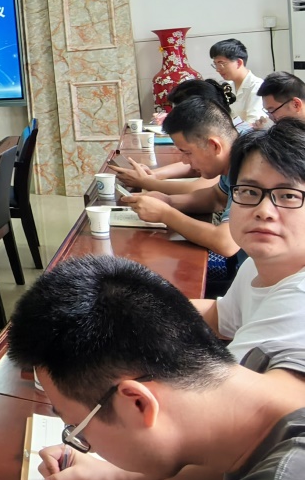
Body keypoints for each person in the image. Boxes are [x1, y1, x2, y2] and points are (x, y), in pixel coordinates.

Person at [8, 255, 305, 480]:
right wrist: (115, 475)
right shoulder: (281, 363)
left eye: (79, 432)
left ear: (137, 403)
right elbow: (236, 460)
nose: (85, 444)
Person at [189, 120, 305, 379]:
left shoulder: (299, 296)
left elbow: (222, 390)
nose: (264, 211)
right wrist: (137, 310)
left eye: (288, 195)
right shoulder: (258, 263)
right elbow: (220, 317)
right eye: (250, 191)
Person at [121, 97, 241, 293]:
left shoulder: (248, 170)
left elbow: (226, 243)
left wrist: (165, 213)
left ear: (214, 145)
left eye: (187, 152)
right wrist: (168, 201)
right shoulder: (234, 159)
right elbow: (217, 197)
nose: (185, 161)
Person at [112, 79, 238, 194]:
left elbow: (201, 189)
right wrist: (153, 175)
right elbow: (194, 168)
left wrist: (146, 182)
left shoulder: (234, 143)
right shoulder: (225, 132)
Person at [210, 37, 266, 128]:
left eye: (221, 63)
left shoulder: (257, 86)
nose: (218, 69)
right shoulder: (227, 86)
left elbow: (253, 123)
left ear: (239, 63)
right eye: (215, 64)